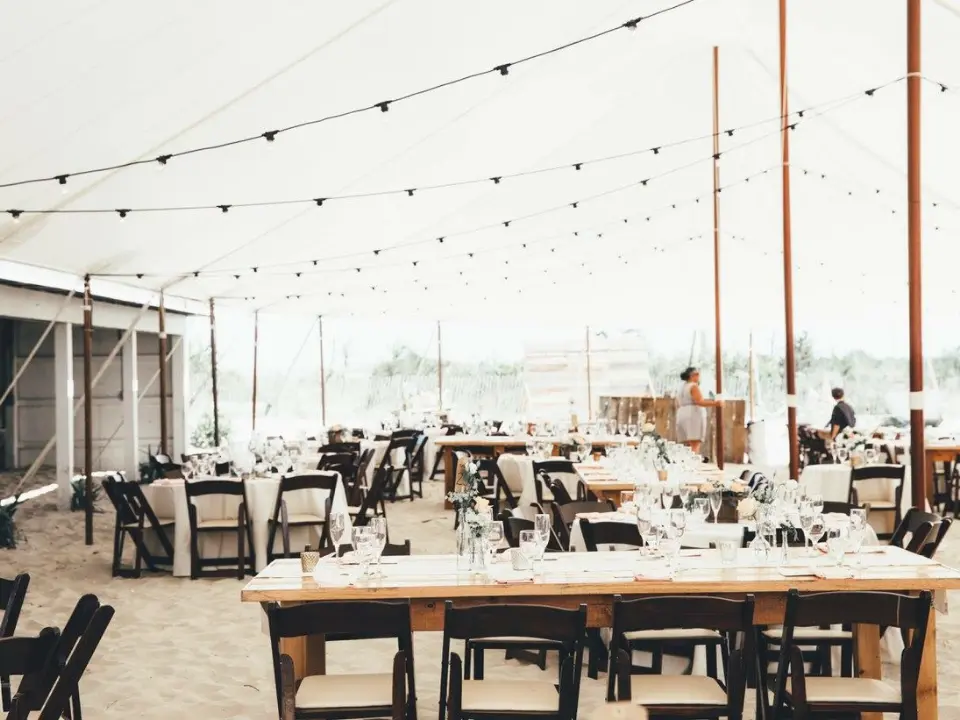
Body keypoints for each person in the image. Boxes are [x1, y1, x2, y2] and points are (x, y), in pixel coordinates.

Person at [675, 366, 723, 455]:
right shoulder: (693, 386)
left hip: (682, 413)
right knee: (694, 442)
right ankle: (693, 463)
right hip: (693, 414)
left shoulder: (681, 387)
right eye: (697, 374)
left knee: (686, 444)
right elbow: (700, 401)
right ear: (692, 375)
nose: (699, 377)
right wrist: (715, 403)